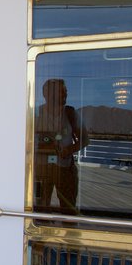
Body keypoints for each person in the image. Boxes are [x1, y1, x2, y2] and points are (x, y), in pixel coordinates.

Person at [35, 78, 87, 214]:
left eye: (65, 92)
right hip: (41, 169)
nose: (65, 95)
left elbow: (85, 139)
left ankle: (69, 232)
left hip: (64, 169)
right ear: (47, 94)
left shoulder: (70, 113)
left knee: (68, 208)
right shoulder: (35, 114)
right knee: (40, 208)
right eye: (61, 92)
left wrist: (67, 150)